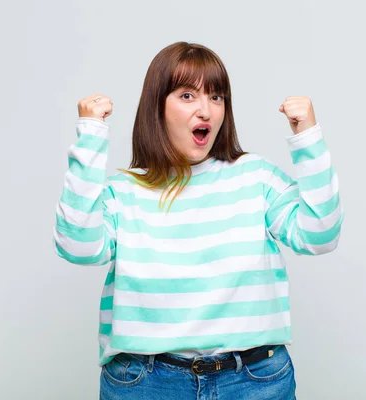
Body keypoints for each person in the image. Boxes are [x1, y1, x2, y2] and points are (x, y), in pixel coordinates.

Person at [53, 41, 343, 400]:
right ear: (156, 107)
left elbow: (320, 236)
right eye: (187, 96)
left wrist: (308, 138)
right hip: (146, 383)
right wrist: (91, 137)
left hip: (253, 382)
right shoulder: (122, 191)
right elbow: (77, 247)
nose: (206, 110)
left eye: (217, 97)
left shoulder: (256, 177)